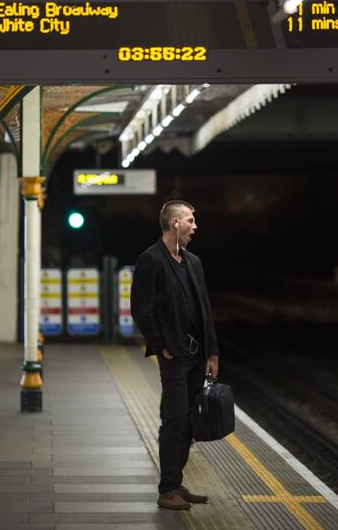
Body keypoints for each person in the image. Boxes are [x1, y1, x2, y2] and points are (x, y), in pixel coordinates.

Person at [131, 200, 219, 510]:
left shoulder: (192, 261)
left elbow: (204, 309)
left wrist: (212, 352)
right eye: (191, 221)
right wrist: (161, 346)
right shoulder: (151, 260)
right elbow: (141, 310)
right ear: (176, 224)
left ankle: (176, 483)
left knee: (191, 421)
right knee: (175, 418)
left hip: (197, 357)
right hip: (174, 357)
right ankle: (167, 489)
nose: (196, 226)